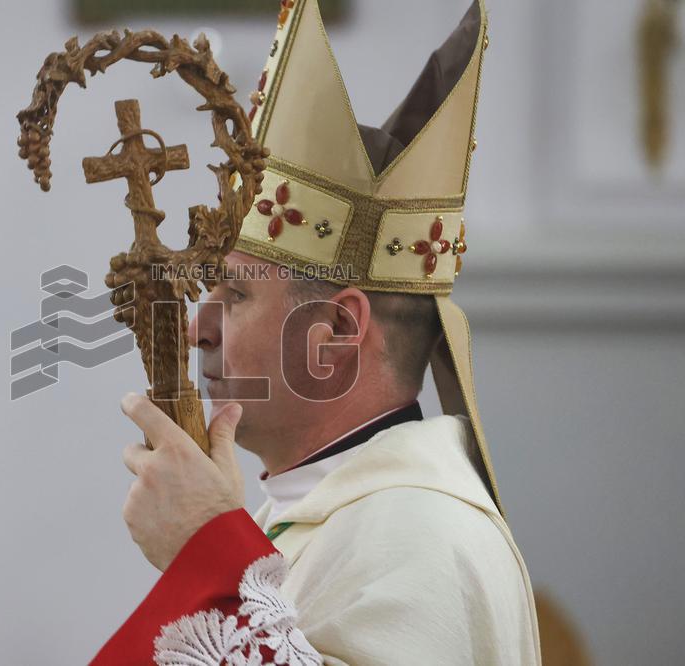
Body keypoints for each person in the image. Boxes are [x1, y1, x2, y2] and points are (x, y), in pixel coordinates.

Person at [91, 0, 540, 663]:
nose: (195, 330)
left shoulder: (422, 536)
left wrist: (205, 551)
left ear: (335, 329)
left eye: (235, 294)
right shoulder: (305, 516)